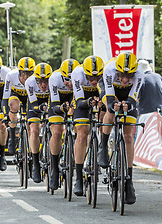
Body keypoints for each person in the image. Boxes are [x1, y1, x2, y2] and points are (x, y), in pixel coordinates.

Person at [101, 52, 144, 204]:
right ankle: (103, 147)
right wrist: (114, 104)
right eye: (122, 75)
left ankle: (129, 181)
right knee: (110, 112)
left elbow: (133, 98)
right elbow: (110, 97)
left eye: (129, 76)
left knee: (128, 136)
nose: (125, 79)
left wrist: (129, 105)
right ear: (117, 71)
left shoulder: (140, 74)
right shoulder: (109, 69)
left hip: (128, 94)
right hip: (111, 90)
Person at [71, 56, 105, 196]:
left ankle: (102, 147)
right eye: (90, 78)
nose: (93, 81)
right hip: (82, 99)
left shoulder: (106, 77)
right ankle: (78, 178)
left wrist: (102, 104)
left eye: (97, 77)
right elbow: (79, 102)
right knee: (82, 133)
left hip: (99, 96)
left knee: (105, 117)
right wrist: (89, 102)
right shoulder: (77, 74)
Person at [47, 59, 79, 189]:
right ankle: (54, 168)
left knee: (82, 129)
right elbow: (54, 105)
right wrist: (61, 108)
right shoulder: (54, 78)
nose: (70, 83)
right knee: (57, 131)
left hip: (74, 98)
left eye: (72, 79)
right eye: (66, 79)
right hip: (58, 100)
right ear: (61, 76)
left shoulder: (81, 78)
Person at [25, 63, 52, 183]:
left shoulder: (54, 82)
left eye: (46, 81)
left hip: (50, 101)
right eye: (40, 82)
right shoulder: (29, 82)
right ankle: (35, 163)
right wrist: (41, 109)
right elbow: (33, 104)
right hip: (35, 103)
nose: (43, 85)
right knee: (34, 131)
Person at [2, 57, 35, 155]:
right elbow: (5, 96)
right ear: (18, 72)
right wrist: (5, 114)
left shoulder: (35, 78)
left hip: (29, 96)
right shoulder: (11, 75)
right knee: (13, 105)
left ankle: (30, 148)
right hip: (16, 95)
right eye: (23, 73)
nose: (26, 76)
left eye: (29, 73)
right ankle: (12, 137)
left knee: (30, 123)